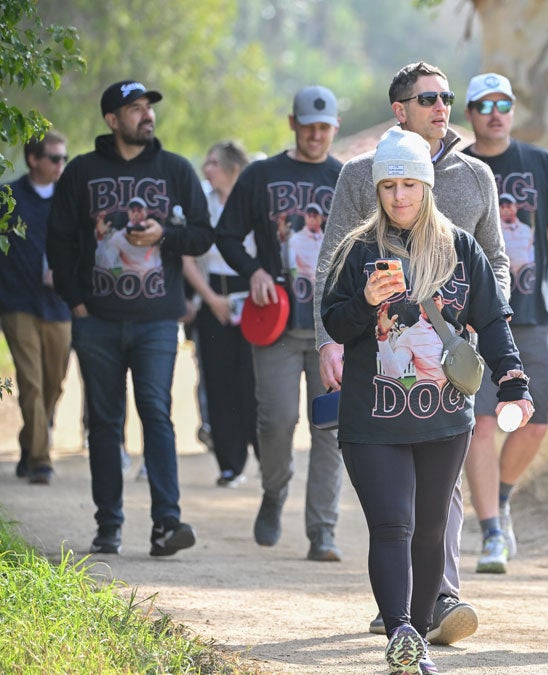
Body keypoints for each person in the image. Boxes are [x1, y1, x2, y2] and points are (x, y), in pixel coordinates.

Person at [322, 127, 533, 675]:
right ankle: (399, 633)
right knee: (393, 525)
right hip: (372, 417)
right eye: (388, 185)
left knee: (433, 527)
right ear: (377, 190)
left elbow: (491, 318)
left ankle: (415, 635)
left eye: (409, 184)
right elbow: (334, 322)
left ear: (427, 186)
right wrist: (367, 304)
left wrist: (513, 378)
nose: (399, 196)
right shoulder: (360, 249)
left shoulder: (461, 248)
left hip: (445, 420)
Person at [46, 80, 212, 556]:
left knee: (156, 414)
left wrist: (168, 233)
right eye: (134, 108)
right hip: (95, 318)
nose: (146, 115)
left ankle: (166, 524)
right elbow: (58, 240)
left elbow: (202, 235)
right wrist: (75, 301)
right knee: (104, 422)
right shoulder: (80, 172)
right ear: (112, 120)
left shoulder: (175, 169)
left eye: (149, 107)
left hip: (158, 319)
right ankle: (108, 525)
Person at [461, 71, 548, 574]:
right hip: (471, 319)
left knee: (534, 422)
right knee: (483, 424)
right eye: (484, 104)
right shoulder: (457, 168)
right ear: (470, 113)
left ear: (513, 112)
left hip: (531, 317)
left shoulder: (540, 165)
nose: (495, 112)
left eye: (504, 103)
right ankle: (492, 533)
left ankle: (503, 497)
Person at [215, 86, 345, 562]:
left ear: (334, 127)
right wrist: (254, 272)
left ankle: (323, 531)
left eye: (324, 127)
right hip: (278, 327)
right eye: (308, 126)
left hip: (334, 330)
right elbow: (226, 235)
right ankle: (273, 493)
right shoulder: (262, 176)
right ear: (292, 124)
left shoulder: (347, 178)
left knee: (330, 430)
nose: (316, 134)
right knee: (276, 422)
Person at [1, 130, 72, 484]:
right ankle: (42, 461)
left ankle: (30, 443)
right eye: (55, 158)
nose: (61, 165)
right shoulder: (7, 197)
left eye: (64, 158)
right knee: (30, 381)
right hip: (16, 301)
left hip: (59, 304)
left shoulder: (69, 200)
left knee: (54, 383)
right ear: (33, 159)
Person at [184, 140, 256, 487]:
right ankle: (229, 463)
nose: (206, 168)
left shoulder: (253, 199)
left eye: (212, 162)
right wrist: (211, 299)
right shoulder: (202, 203)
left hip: (253, 299)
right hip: (212, 298)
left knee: (252, 380)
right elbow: (187, 258)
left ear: (232, 167)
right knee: (218, 382)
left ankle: (262, 454)